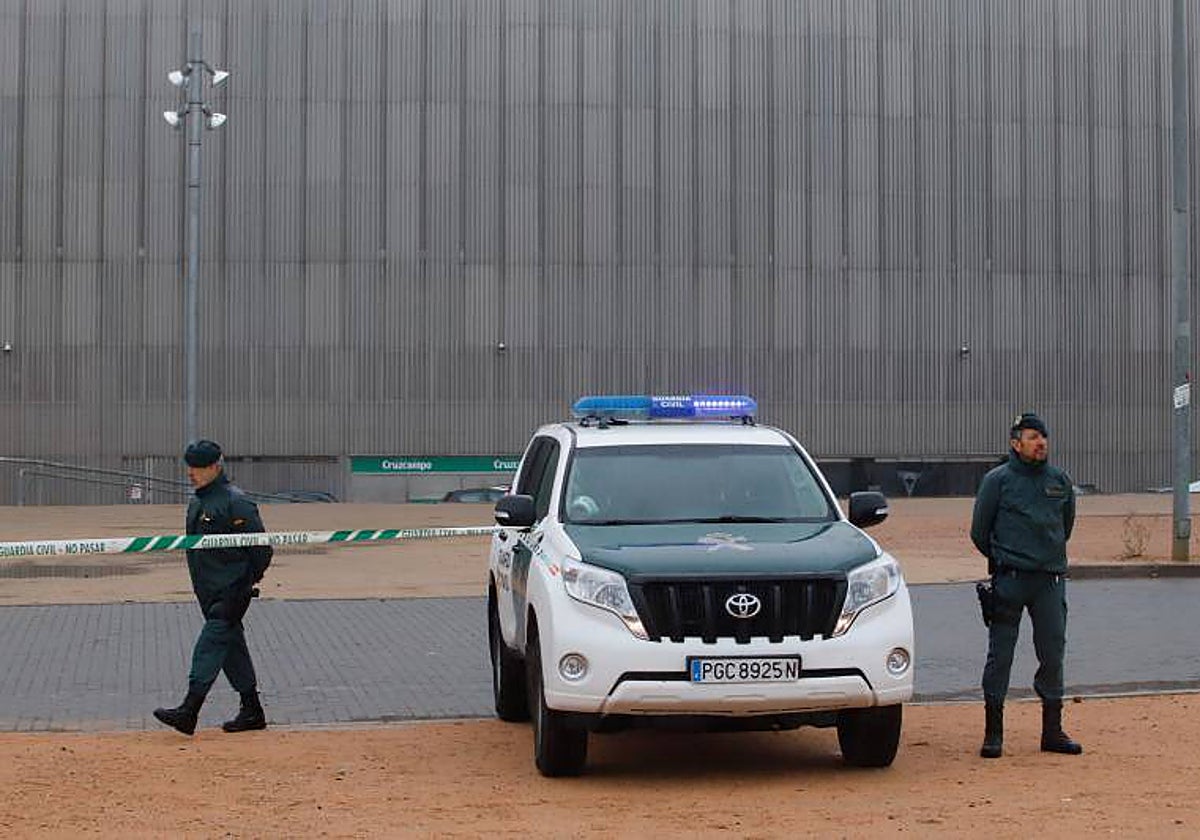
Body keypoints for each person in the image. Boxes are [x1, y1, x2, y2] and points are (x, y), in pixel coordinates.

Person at [970, 412, 1083, 759]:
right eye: (1033, 437)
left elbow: (1065, 526)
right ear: (1016, 444)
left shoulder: (1059, 481)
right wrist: (1006, 558)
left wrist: (1044, 555)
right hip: (1011, 580)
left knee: (1053, 652)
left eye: (1043, 437)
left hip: (1048, 580)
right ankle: (993, 733)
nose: (1041, 443)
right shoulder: (998, 481)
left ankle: (1052, 731)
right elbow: (979, 531)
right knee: (1000, 655)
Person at [153, 439, 273, 736]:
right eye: (190, 466)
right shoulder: (198, 502)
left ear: (216, 467)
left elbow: (261, 548)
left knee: (210, 643)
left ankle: (189, 709)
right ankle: (252, 710)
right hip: (207, 590)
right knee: (230, 646)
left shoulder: (236, 502)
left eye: (198, 467)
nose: (191, 472)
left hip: (231, 591)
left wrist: (246, 581)